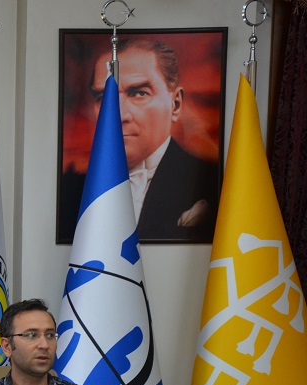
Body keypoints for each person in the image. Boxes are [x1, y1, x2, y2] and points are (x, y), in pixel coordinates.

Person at [60, 38, 219, 243]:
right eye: (102, 98)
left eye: (139, 93)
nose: (118, 115)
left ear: (176, 104)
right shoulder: (71, 190)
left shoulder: (210, 181)